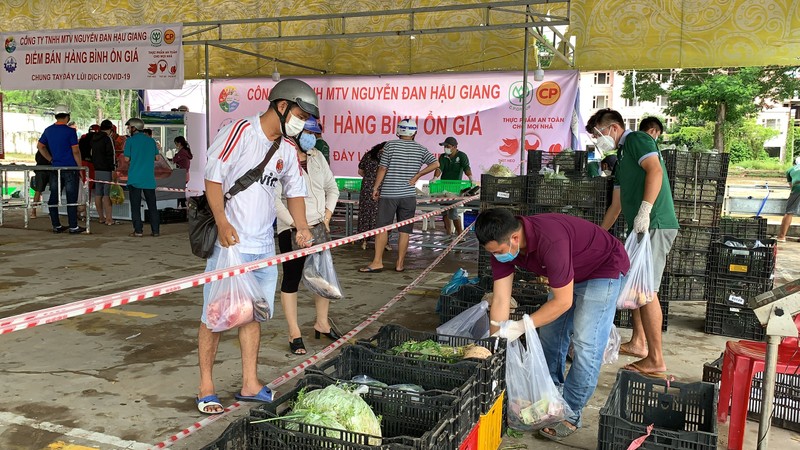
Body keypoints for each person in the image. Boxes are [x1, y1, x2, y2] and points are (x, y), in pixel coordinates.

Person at [196, 78, 317, 415]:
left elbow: (294, 191)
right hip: (230, 246)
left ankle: (250, 382)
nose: (302, 122)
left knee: (253, 314)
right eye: (301, 113)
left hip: (264, 247)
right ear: (282, 106)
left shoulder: (288, 150)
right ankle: (206, 386)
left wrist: (303, 228)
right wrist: (222, 221)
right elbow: (213, 178)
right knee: (215, 316)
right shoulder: (240, 132)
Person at [476, 208, 629, 442]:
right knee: (549, 336)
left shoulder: (550, 239)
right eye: (492, 252)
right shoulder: (502, 248)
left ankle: (571, 412)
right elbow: (500, 299)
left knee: (586, 344)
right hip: (568, 273)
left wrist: (521, 326)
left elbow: (563, 302)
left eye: (498, 251)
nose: (496, 256)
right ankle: (551, 397)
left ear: (514, 238)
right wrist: (496, 340)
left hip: (603, 268)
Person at [593, 108, 679, 376]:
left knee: (647, 291)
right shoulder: (620, 157)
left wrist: (645, 210)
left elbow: (655, 171)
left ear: (614, 128)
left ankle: (656, 358)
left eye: (599, 134)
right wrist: (597, 235)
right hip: (641, 229)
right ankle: (639, 342)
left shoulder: (637, 140)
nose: (598, 140)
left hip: (654, 223)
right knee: (637, 286)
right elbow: (616, 206)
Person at [275, 124, 340, 355]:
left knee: (321, 276)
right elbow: (275, 201)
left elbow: (332, 188)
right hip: (291, 228)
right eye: (309, 133)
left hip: (319, 225)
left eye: (315, 133)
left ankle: (322, 323)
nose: (313, 138)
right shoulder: (280, 157)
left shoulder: (317, 156)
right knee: (292, 278)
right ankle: (294, 332)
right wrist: (297, 226)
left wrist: (328, 216)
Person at [359, 119, 439, 273]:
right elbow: (436, 164)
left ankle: (377, 262)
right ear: (414, 132)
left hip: (389, 194)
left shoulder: (390, 145)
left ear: (398, 131)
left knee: (382, 228)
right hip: (408, 195)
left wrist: (375, 188)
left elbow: (382, 168)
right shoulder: (420, 149)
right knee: (405, 230)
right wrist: (418, 175)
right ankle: (400, 264)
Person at [37, 105, 86, 234]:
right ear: (67, 116)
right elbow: (75, 151)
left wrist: (51, 159)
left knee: (54, 196)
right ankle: (73, 226)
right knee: (71, 198)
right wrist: (80, 167)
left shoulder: (48, 130)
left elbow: (40, 146)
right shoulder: (70, 132)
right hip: (70, 168)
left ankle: (56, 225)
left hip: (55, 168)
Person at [123, 117, 164, 237]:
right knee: (152, 205)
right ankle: (155, 230)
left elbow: (126, 159)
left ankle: (138, 230)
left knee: (135, 206)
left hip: (135, 178)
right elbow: (157, 158)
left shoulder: (130, 141)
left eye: (129, 127)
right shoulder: (151, 141)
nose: (128, 129)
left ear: (134, 128)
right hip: (149, 179)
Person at [432, 136, 473, 237]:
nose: (446, 148)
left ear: (454, 147)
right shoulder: (443, 157)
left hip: (455, 188)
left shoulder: (462, 156)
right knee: (444, 212)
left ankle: (460, 234)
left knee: (453, 212)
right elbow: (439, 168)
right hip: (443, 187)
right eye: (444, 146)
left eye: (448, 146)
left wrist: (471, 178)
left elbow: (466, 168)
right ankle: (448, 233)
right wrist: (435, 178)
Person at [357, 142, 391, 251]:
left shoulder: (368, 155)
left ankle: (364, 241)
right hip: (381, 188)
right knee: (381, 215)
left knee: (365, 213)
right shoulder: (386, 157)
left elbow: (360, 171)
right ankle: (383, 243)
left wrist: (369, 179)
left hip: (366, 187)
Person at [92, 121, 117, 225]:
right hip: (106, 170)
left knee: (98, 194)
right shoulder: (108, 138)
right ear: (110, 129)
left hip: (96, 169)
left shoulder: (94, 138)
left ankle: (101, 217)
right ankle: (109, 219)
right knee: (107, 195)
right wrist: (114, 169)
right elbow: (112, 155)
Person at [777, 156, 800, 242]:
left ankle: (781, 237)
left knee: (790, 212)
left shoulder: (790, 170)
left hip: (797, 187)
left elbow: (791, 186)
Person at [29, 145, 52, 219]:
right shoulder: (53, 146)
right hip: (49, 169)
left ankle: (33, 211)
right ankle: (52, 211)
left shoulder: (41, 149)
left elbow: (37, 159)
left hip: (41, 169)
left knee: (38, 190)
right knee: (54, 191)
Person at [173, 136, 193, 208]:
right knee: (181, 189)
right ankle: (182, 203)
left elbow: (174, 160)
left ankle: (181, 203)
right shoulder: (185, 151)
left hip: (182, 174)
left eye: (176, 143)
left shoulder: (182, 152)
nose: (175, 145)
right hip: (185, 174)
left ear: (179, 143)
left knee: (179, 190)